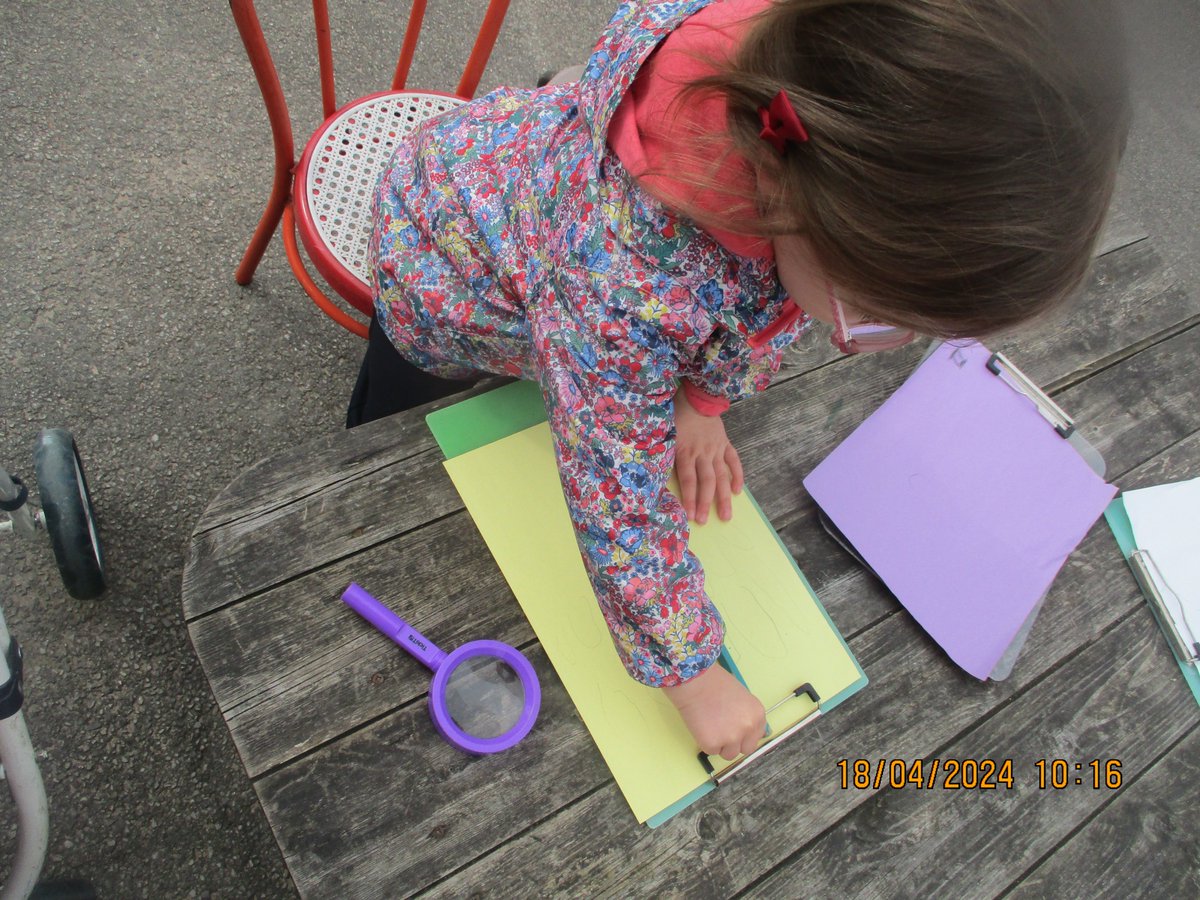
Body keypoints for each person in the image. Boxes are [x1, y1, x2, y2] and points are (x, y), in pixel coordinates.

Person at [347, 0, 1130, 761]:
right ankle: (367, 424)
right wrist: (693, 676)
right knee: (396, 421)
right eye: (872, 320)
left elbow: (764, 305)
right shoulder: (621, 286)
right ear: (796, 202)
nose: (871, 344)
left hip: (542, 224)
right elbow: (616, 495)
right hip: (439, 267)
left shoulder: (806, 64)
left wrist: (702, 403)